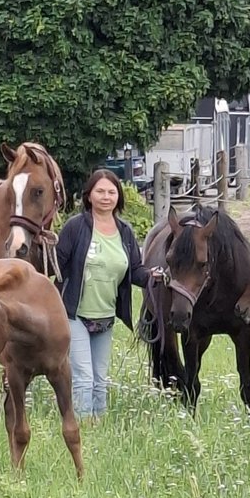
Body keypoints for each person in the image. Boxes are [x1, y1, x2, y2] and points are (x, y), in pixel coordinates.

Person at [55, 170, 160, 419]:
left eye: (111, 192)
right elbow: (56, 265)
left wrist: (152, 276)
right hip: (74, 314)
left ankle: (99, 425)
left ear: (118, 197)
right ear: (89, 195)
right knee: (84, 378)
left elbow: (135, 271)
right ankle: (81, 428)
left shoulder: (125, 231)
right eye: (100, 191)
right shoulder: (75, 227)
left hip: (105, 316)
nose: (106, 197)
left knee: (100, 380)